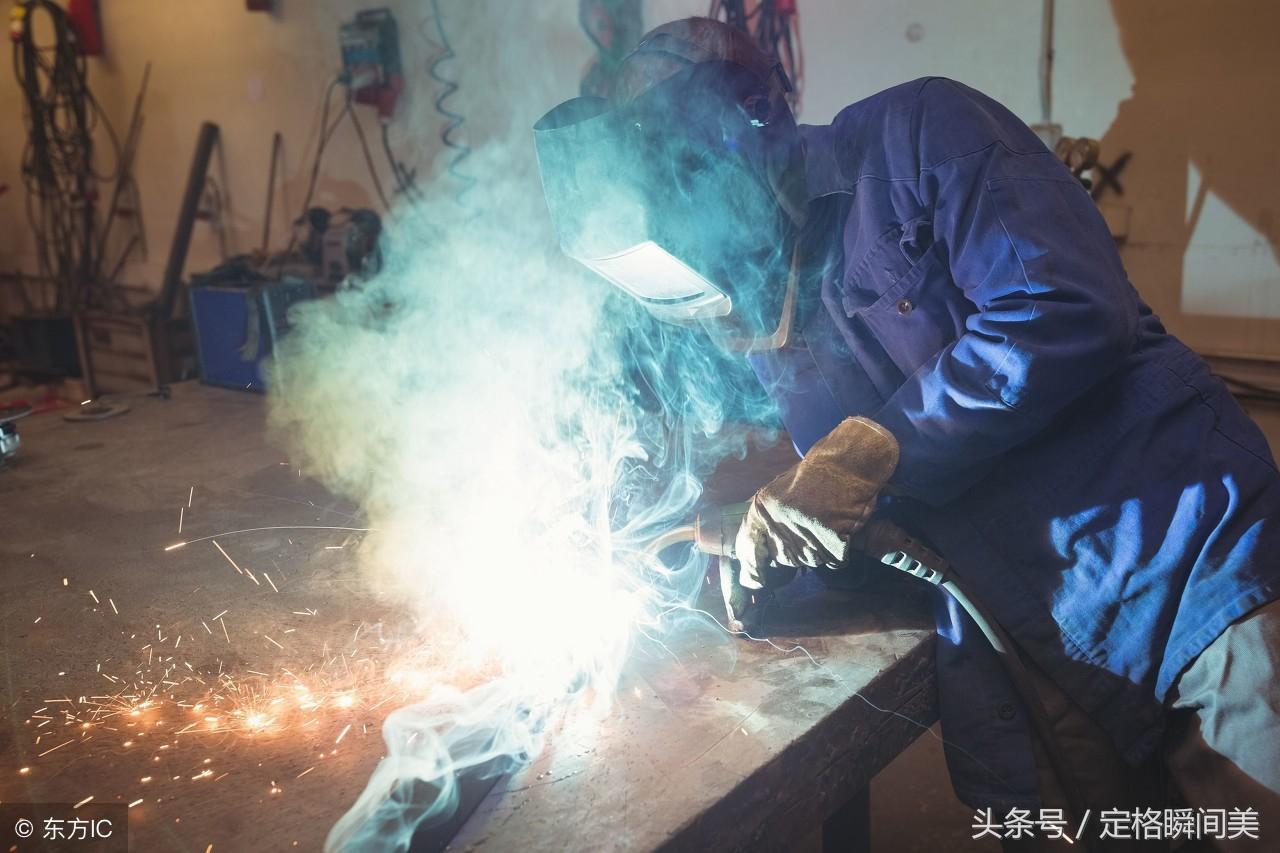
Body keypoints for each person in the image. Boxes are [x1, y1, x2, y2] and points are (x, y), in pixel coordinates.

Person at [534, 17, 1280, 852]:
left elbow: (1063, 306)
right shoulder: (763, 300)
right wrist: (755, 533)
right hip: (1032, 656)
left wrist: (867, 454)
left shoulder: (920, 137)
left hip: (1185, 582)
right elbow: (878, 502)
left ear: (755, 120)